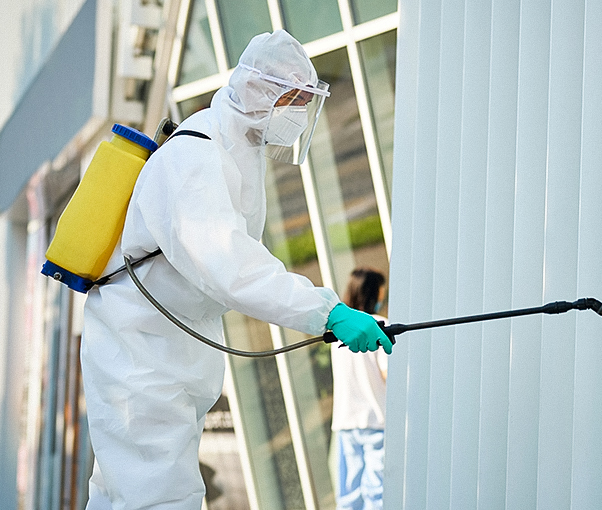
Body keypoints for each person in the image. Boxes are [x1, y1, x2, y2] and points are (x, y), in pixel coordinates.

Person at [80, 30, 392, 509]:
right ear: (261, 91)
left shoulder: (234, 152)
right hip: (139, 358)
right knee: (157, 498)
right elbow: (232, 266)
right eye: (294, 99)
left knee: (130, 497)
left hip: (165, 355)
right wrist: (326, 311)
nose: (298, 114)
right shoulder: (194, 156)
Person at [331, 267, 389, 510]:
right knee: (377, 495)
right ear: (373, 293)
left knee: (349, 495)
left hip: (346, 420)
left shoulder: (338, 332)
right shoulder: (380, 325)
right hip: (375, 419)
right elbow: (388, 374)